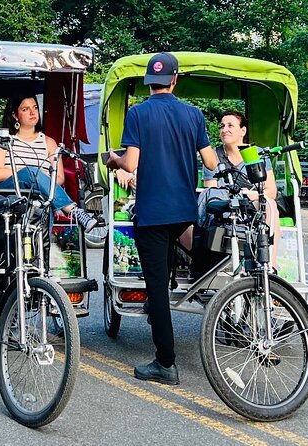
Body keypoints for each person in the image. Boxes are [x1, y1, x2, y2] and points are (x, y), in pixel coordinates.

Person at [105, 52, 217, 385]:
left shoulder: (137, 113)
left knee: (156, 285)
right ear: (174, 79)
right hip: (184, 212)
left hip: (152, 213)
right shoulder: (194, 114)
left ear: (148, 82)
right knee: (166, 271)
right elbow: (210, 162)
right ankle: (160, 321)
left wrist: (113, 159)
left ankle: (165, 362)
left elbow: (130, 164)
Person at [0, 94, 98, 232]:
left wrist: (39, 179)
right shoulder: (3, 140)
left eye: (35, 108)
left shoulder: (49, 142)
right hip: (10, 192)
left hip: (40, 196)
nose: (32, 112)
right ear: (15, 115)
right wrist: (29, 173)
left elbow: (59, 178)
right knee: (31, 172)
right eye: (25, 109)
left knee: (42, 192)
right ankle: (72, 210)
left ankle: (44, 248)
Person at [195, 110, 282, 272]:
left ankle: (270, 263)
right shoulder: (213, 156)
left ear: (243, 131)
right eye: (222, 126)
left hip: (252, 202)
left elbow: (271, 190)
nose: (224, 130)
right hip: (224, 203)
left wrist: (251, 194)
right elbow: (211, 189)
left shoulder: (257, 154)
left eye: (230, 126)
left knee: (271, 205)